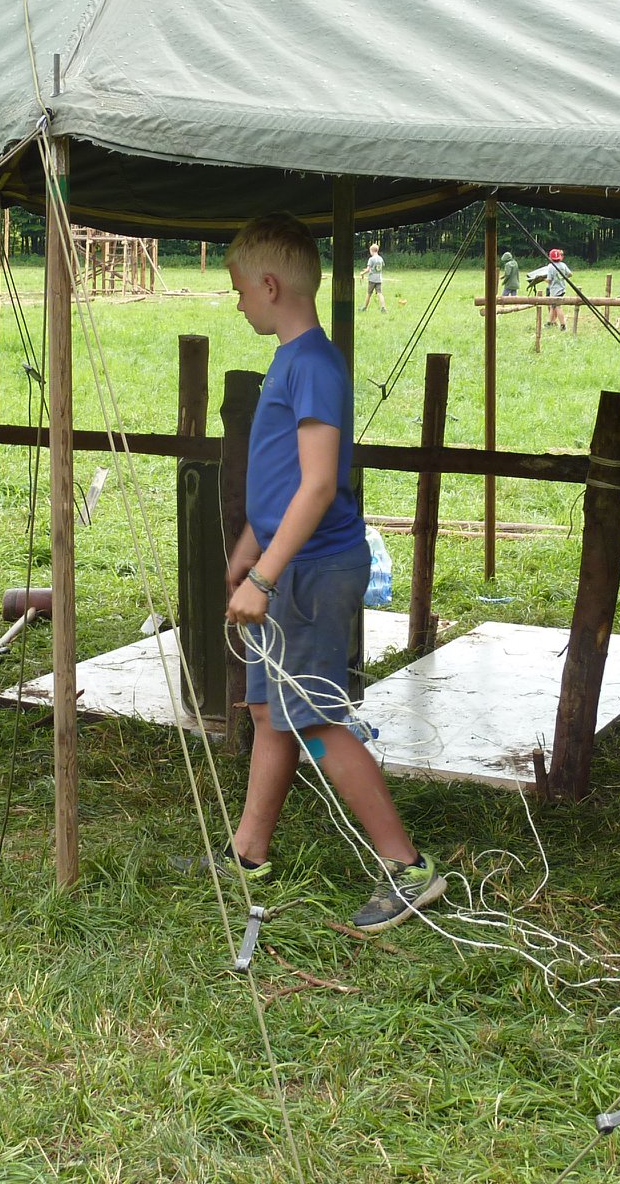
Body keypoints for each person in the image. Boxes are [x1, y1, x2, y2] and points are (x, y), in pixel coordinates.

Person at [193, 212, 445, 934]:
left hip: (310, 572)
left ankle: (407, 867)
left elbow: (317, 485)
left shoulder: (313, 365)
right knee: (273, 712)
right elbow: (283, 479)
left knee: (318, 720)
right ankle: (247, 852)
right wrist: (250, 540)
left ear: (270, 285)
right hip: (285, 562)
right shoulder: (293, 359)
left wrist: (264, 576)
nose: (239, 302)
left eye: (241, 290)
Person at [545, 248, 571, 330]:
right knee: (552, 306)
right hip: (562, 288)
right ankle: (550, 322)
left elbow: (549, 280)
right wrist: (563, 278)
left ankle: (563, 325)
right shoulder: (563, 265)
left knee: (558, 307)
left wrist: (542, 279)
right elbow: (570, 274)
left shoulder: (550, 266)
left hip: (554, 290)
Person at [359, 241, 387, 314]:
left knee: (369, 293)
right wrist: (368, 270)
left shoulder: (371, 259)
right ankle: (383, 307)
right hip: (379, 279)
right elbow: (377, 268)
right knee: (380, 293)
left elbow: (369, 269)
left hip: (372, 279)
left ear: (372, 251)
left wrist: (362, 273)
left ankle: (364, 307)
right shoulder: (380, 259)